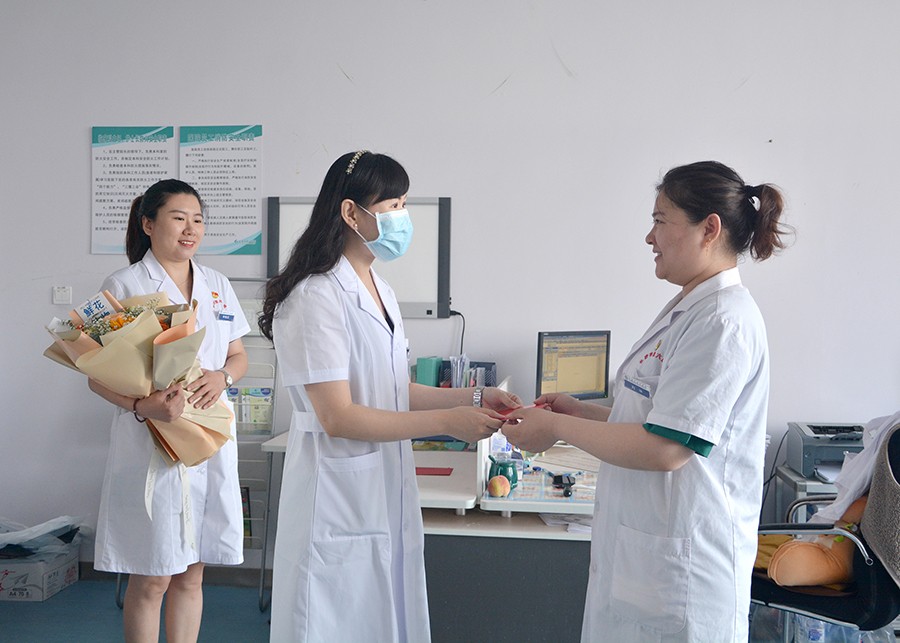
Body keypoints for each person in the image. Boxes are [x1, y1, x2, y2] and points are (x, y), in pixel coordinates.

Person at [504, 161, 791, 642]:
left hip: (683, 576)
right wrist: (581, 411)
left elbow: (666, 449)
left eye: (660, 221)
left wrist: (554, 428)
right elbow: (657, 418)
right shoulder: (691, 308)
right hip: (649, 566)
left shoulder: (722, 322)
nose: (649, 237)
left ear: (709, 229)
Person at [259, 151, 521, 642]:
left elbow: (393, 387)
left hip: (381, 486)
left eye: (404, 204)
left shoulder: (379, 286)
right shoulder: (315, 295)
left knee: (385, 614)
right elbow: (337, 416)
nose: (403, 217)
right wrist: (448, 423)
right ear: (351, 213)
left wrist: (477, 396)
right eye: (393, 205)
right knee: (335, 621)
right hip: (335, 494)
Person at [88, 179, 249, 643]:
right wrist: (144, 405)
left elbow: (238, 356)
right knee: (153, 575)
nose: (190, 229)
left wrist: (223, 377)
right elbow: (95, 375)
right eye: (178, 218)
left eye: (197, 219)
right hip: (151, 442)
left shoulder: (217, 285)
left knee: (193, 574)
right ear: (148, 223)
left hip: (208, 436)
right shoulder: (122, 284)